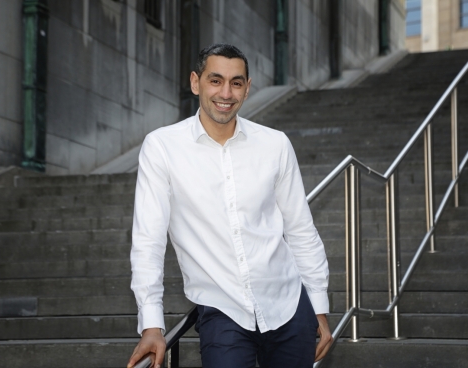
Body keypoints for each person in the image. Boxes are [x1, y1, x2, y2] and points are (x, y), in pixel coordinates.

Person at [127, 43, 332, 368]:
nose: (226, 92)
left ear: (247, 88)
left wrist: (318, 306)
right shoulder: (163, 148)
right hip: (222, 311)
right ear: (196, 82)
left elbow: (300, 228)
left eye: (236, 82)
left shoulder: (274, 144)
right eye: (215, 80)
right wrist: (152, 323)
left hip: (290, 308)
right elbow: (148, 241)